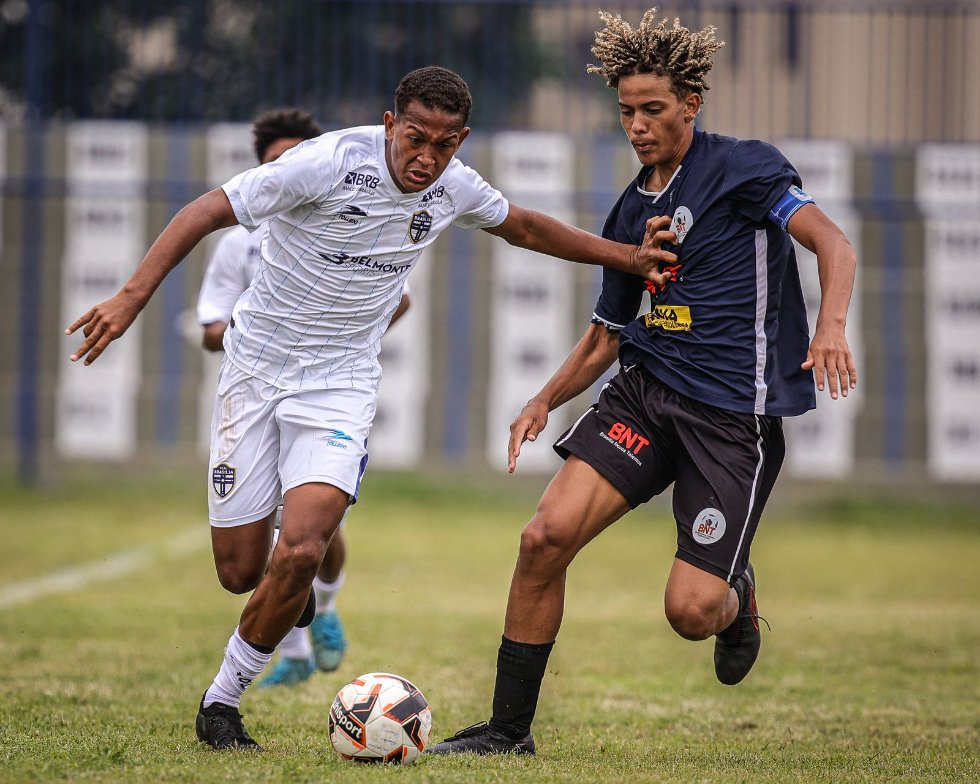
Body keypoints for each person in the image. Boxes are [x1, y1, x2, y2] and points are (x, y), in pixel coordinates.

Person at [65, 65, 675, 751]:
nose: (426, 159)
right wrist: (130, 296)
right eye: (415, 139)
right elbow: (206, 210)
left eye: (444, 145)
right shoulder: (324, 163)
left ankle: (221, 705)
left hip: (341, 383)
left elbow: (527, 227)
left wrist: (629, 257)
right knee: (240, 572)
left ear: (460, 140)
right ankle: (279, 601)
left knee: (300, 548)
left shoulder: (453, 186)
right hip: (255, 372)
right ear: (391, 125)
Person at [429, 9, 857, 756]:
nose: (637, 125)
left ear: (692, 103)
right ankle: (507, 732)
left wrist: (829, 328)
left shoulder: (746, 169)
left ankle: (736, 591)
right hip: (646, 393)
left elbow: (831, 241)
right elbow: (607, 333)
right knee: (542, 539)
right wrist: (543, 400)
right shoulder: (631, 210)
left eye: (653, 109)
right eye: (626, 110)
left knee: (692, 612)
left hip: (732, 419)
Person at [196, 108, 412, 688]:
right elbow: (211, 326)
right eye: (275, 162)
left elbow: (402, 298)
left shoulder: (351, 217)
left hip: (330, 389)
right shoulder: (239, 243)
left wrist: (339, 337)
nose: (287, 170)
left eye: (296, 158)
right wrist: (255, 329)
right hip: (256, 384)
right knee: (244, 567)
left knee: (311, 537)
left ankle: (323, 612)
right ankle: (299, 626)